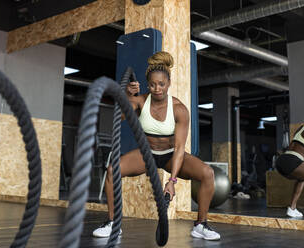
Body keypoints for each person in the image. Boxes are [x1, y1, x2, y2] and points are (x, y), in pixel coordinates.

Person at [92, 51, 220, 240]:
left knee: (207, 173)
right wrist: (127, 94)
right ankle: (113, 223)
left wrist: (172, 181)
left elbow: (178, 149)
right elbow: (117, 118)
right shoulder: (140, 101)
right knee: (112, 171)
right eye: (152, 84)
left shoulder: (179, 109)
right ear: (147, 84)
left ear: (168, 84)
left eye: (161, 84)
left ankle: (201, 225)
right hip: (147, 154)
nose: (157, 88)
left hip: (170, 155)